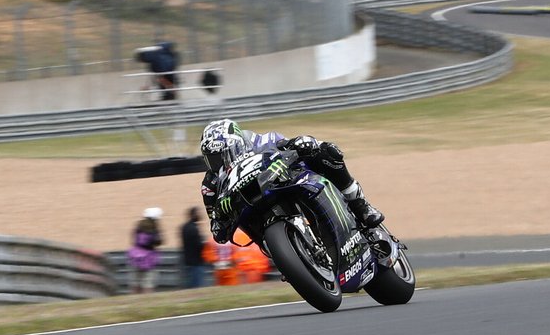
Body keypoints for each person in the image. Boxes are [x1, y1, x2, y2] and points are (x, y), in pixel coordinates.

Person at [198, 118, 385, 246]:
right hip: (256, 217)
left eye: (220, 156)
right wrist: (220, 219)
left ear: (237, 144)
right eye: (211, 159)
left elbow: (287, 143)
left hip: (285, 183)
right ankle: (293, 256)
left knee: (328, 152)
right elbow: (217, 232)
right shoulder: (211, 186)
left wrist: (301, 143)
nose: (217, 163)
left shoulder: (259, 142)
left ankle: (360, 205)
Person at [127, 207, 164, 293]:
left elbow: (134, 240)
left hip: (135, 256)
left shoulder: (138, 227)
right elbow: (158, 242)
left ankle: (134, 302)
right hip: (148, 259)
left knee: (135, 283)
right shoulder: (154, 230)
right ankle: (148, 301)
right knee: (148, 283)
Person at [179, 207, 208, 288]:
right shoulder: (194, 228)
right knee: (196, 285)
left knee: (189, 284)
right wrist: (205, 243)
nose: (200, 215)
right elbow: (198, 244)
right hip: (196, 261)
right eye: (198, 213)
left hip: (187, 259)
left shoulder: (184, 227)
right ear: (193, 215)